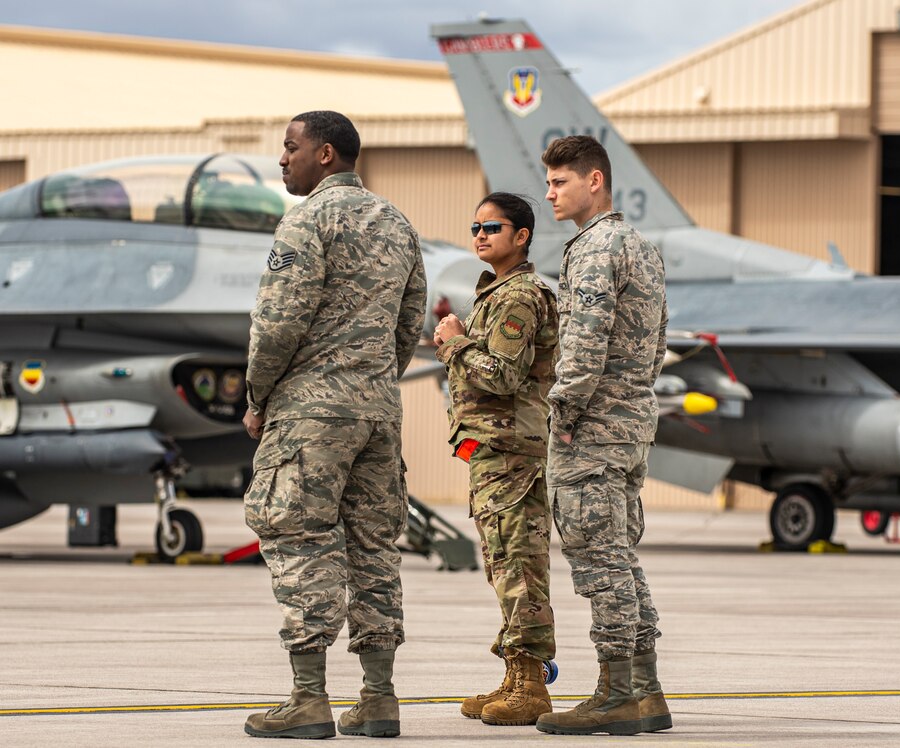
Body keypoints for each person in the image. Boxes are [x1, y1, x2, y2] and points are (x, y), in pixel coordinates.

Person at [241, 110, 427, 740]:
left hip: (311, 413)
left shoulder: (307, 219)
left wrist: (258, 395)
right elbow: (411, 319)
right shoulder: (396, 222)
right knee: (374, 547)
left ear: (325, 154)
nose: (282, 159)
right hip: (378, 411)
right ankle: (378, 697)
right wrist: (375, 378)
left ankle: (309, 697)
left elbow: (279, 321)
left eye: (291, 148)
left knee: (298, 537)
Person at [534, 135, 671, 737]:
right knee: (621, 559)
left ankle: (617, 693)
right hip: (631, 425)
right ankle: (645, 691)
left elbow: (582, 351)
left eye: (561, 181)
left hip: (591, 433)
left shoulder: (594, 250)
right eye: (549, 182)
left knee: (599, 564)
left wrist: (561, 418)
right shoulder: (641, 247)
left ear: (595, 181)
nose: (550, 193)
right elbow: (658, 342)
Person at [433, 192, 559, 726]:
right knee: (502, 561)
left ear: (522, 236)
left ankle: (531, 686)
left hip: (511, 451)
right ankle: (514, 675)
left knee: (519, 564)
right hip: (492, 450)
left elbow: (503, 376)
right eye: (476, 226)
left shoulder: (520, 297)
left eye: (493, 226)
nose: (480, 234)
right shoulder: (496, 293)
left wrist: (454, 344)